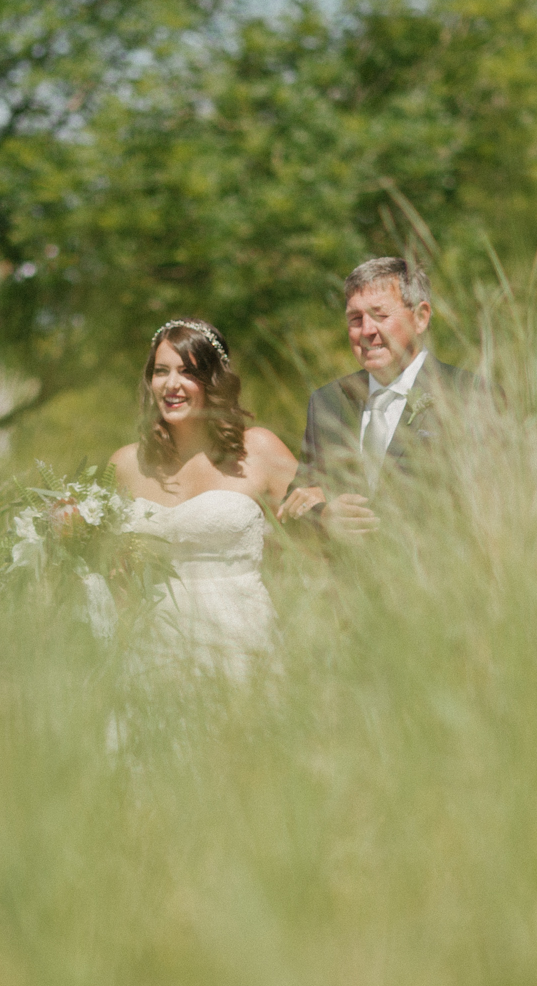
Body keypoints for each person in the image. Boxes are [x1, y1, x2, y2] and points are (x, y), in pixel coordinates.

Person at [109, 318, 297, 679]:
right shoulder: (126, 465)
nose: (172, 384)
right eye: (161, 371)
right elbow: (115, 574)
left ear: (213, 381)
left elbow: (315, 530)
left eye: (187, 372)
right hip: (151, 650)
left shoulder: (258, 450)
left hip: (241, 642)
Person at [277, 257, 476, 537]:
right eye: (355, 319)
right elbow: (294, 504)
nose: (367, 330)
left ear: (420, 318)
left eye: (381, 315)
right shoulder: (328, 402)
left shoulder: (468, 395)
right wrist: (323, 516)